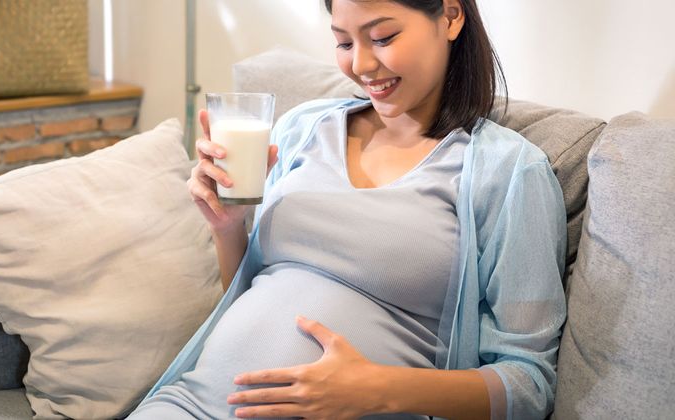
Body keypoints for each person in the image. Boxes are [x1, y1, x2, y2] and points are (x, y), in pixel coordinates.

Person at [127, 0, 567, 419]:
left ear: (451, 16)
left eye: (382, 37)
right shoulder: (301, 128)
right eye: (343, 43)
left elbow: (528, 385)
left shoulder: (508, 171)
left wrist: (377, 389)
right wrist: (229, 227)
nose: (360, 65)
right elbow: (251, 289)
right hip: (186, 402)